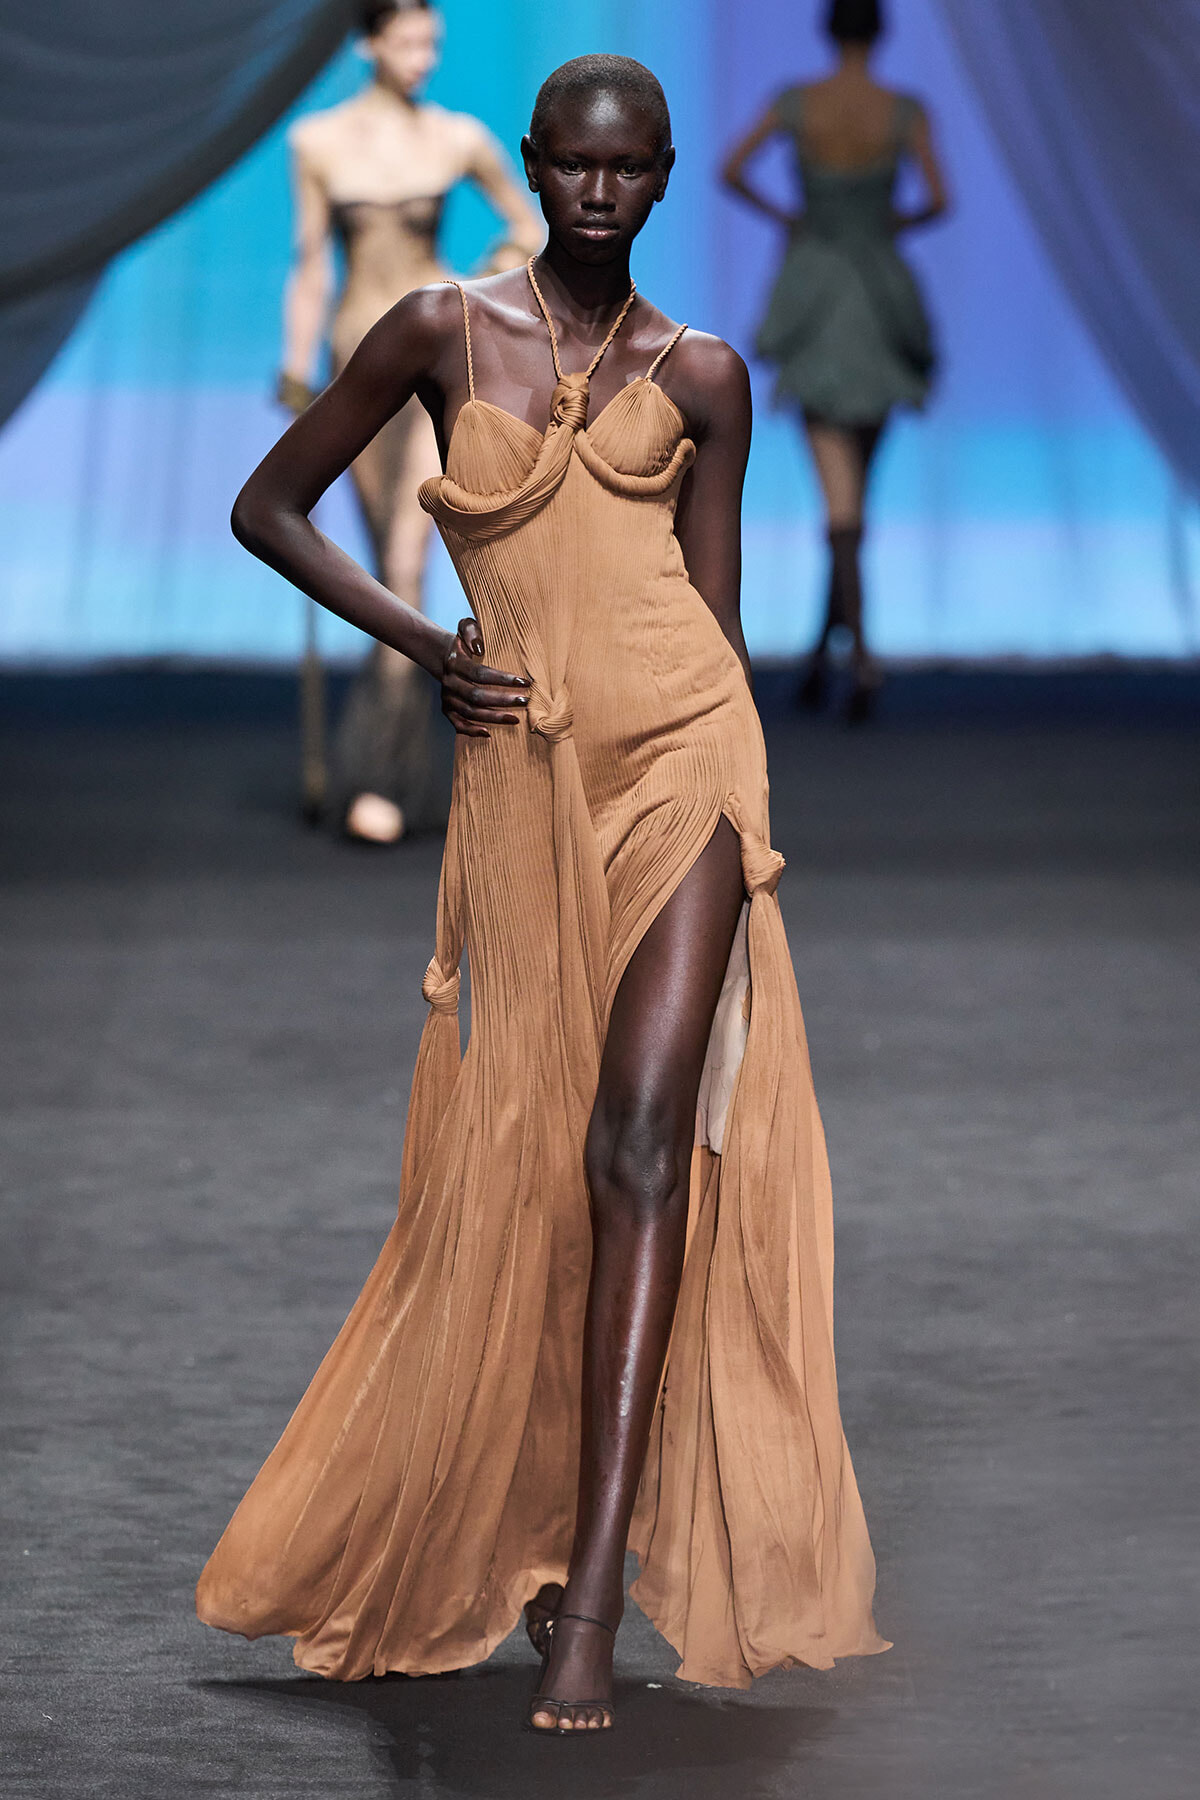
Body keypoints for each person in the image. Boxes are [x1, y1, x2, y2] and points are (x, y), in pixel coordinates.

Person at [197, 54, 887, 1733]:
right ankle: (528, 1533)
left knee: (641, 1147)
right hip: (523, 776)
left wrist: (746, 820)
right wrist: (429, 641)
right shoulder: (439, 331)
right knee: (530, 1159)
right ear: (531, 165)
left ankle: (590, 1600)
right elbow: (267, 506)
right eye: (573, 165)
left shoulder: (705, 372)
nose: (598, 192)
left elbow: (715, 620)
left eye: (628, 169)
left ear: (662, 178)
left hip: (685, 764)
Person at [281, 0, 541, 841]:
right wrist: (294, 367)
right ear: (368, 44)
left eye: (433, 42)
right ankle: (404, 769)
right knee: (376, 580)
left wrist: (478, 284)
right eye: (407, 42)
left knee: (406, 565)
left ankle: (378, 782)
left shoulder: (456, 137)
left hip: (435, 367)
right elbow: (311, 264)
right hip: (355, 370)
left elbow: (528, 224)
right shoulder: (317, 142)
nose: (424, 57)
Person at [722, 0, 948, 720]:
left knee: (840, 503)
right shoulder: (902, 112)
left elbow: (731, 169)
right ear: (880, 32)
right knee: (850, 502)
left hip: (818, 291)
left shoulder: (799, 104)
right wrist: (889, 221)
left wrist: (793, 218)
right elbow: (939, 199)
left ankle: (851, 661)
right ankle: (843, 661)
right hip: (878, 296)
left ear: (828, 29)